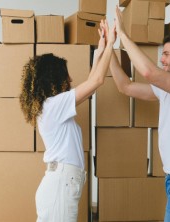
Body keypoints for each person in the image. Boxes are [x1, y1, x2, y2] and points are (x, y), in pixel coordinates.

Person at [110, 6, 170, 222]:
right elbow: (125, 86)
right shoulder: (167, 89)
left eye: (166, 54)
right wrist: (109, 47)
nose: (162, 59)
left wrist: (124, 35)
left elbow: (149, 73)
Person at [19, 19, 115, 222]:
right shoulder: (53, 105)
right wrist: (111, 44)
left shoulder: (52, 106)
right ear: (54, 78)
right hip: (60, 185)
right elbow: (96, 81)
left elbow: (89, 87)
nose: (70, 79)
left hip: (60, 184)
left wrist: (100, 49)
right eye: (66, 75)